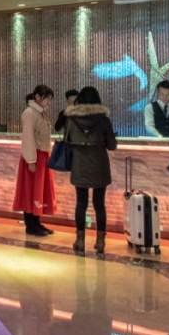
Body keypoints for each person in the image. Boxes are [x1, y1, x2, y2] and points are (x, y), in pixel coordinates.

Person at [63, 86, 117, 254]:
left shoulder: (71, 120)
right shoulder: (104, 120)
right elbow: (112, 145)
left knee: (81, 203)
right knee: (99, 204)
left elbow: (67, 141)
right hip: (99, 165)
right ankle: (100, 242)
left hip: (80, 165)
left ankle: (80, 240)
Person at [12, 84, 56, 236]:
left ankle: (37, 223)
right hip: (33, 157)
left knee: (38, 191)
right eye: (47, 99)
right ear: (37, 97)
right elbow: (28, 138)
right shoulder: (29, 113)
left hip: (42, 156)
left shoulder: (40, 113)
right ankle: (30, 225)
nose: (48, 102)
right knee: (30, 191)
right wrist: (31, 160)